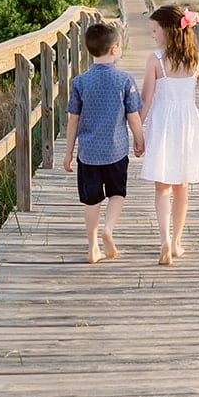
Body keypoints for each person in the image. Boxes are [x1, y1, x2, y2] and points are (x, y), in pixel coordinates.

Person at [140, 5, 199, 266]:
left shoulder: (156, 60)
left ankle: (163, 238)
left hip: (162, 123)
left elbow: (146, 100)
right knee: (181, 186)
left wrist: (138, 134)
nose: (152, 35)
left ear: (169, 31)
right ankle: (176, 243)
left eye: (154, 30)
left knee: (161, 186)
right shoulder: (197, 60)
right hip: (188, 124)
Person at [63, 21, 145, 263]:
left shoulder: (79, 82)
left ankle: (92, 247)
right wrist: (140, 140)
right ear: (113, 50)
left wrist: (68, 153)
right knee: (117, 193)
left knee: (92, 199)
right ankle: (109, 228)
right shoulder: (124, 80)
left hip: (88, 153)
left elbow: (72, 121)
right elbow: (133, 116)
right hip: (116, 150)